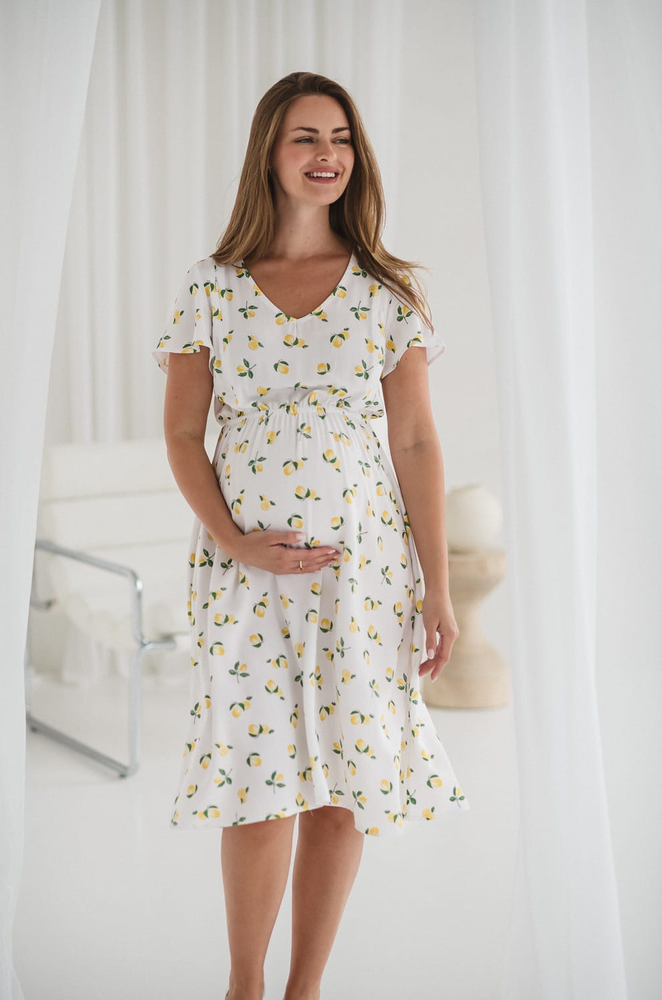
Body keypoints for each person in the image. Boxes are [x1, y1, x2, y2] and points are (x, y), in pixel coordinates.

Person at [153, 70, 469, 1000]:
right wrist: (234, 540)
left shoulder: (388, 291)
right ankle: (244, 986)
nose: (327, 154)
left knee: (342, 783)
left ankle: (304, 989)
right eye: (305, 137)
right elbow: (182, 435)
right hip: (245, 574)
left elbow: (415, 442)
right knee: (258, 781)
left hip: (363, 574)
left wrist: (438, 586)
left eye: (340, 138)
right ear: (270, 152)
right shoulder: (211, 287)